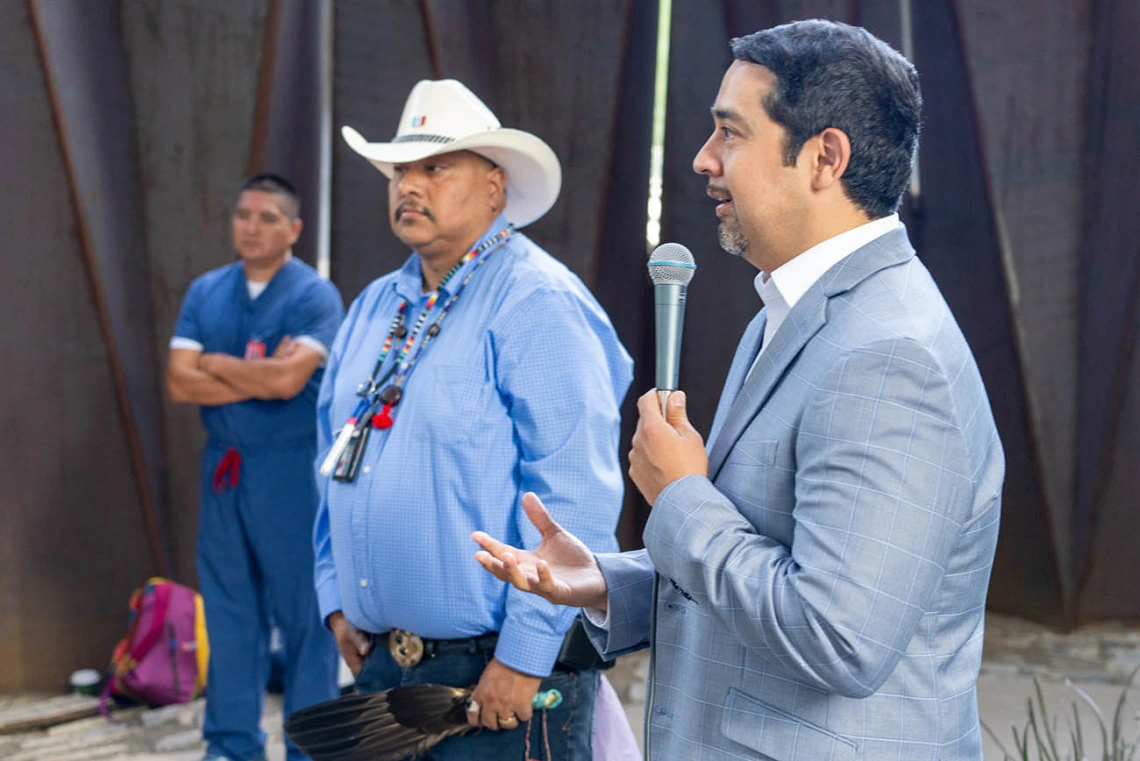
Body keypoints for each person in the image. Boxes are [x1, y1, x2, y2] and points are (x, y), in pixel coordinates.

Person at [474, 20, 1005, 761]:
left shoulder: (889, 354)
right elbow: (766, 555)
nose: (702, 159)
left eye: (730, 133)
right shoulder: (787, 318)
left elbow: (837, 635)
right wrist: (610, 582)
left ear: (824, 157)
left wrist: (681, 496)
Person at [314, 79, 633, 760]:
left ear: (495, 186)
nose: (410, 184)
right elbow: (334, 458)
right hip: (384, 667)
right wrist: (334, 597)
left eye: (435, 166)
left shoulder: (537, 301)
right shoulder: (377, 306)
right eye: (401, 169)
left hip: (497, 679)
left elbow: (574, 497)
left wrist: (523, 656)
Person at [167, 173, 344, 761]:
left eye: (267, 217)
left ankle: (309, 748)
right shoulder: (207, 291)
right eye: (243, 214)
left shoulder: (313, 296)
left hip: (290, 473)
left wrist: (214, 365)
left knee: (305, 618)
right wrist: (258, 376)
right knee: (228, 612)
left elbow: (289, 380)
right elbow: (178, 382)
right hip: (225, 471)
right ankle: (230, 745)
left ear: (294, 228)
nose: (251, 226)